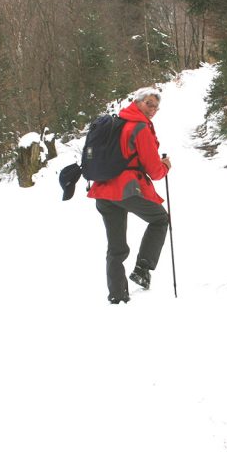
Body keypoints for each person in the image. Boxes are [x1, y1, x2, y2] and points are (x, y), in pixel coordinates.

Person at [88, 87, 172, 304]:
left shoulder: (118, 122)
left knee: (116, 247)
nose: (152, 109)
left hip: (103, 190)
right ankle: (143, 269)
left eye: (156, 106)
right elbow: (154, 171)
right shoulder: (139, 127)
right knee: (160, 219)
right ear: (137, 102)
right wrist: (165, 167)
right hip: (125, 189)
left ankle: (117, 295)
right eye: (149, 104)